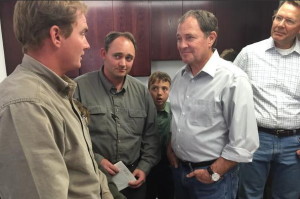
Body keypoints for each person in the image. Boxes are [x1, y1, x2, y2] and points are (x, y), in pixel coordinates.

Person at [0, 1, 112, 199]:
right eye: (82, 33)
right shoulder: (27, 105)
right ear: (56, 35)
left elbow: (86, 171)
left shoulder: (57, 90)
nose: (86, 44)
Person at [167, 9, 259, 199]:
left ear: (211, 38)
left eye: (190, 37)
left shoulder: (233, 79)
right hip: (180, 172)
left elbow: (244, 142)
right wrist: (171, 147)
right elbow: (177, 121)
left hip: (213, 179)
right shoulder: (178, 78)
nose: (182, 45)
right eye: (179, 38)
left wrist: (212, 173)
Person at [74, 31, 160, 199]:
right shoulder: (79, 88)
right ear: (103, 54)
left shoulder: (142, 92)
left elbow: (152, 137)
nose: (123, 63)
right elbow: (73, 138)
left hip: (133, 179)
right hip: (95, 178)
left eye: (129, 58)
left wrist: (144, 167)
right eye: (117, 56)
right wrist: (97, 160)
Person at [234, 1, 300, 198]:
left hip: (294, 144)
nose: (280, 24)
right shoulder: (249, 54)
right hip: (255, 139)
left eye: (289, 20)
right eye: (278, 18)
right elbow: (230, 94)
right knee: (248, 195)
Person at [146, 71, 174, 199]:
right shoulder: (142, 112)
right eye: (155, 88)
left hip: (168, 164)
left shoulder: (175, 112)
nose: (159, 93)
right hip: (147, 165)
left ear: (169, 91)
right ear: (148, 90)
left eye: (164, 88)